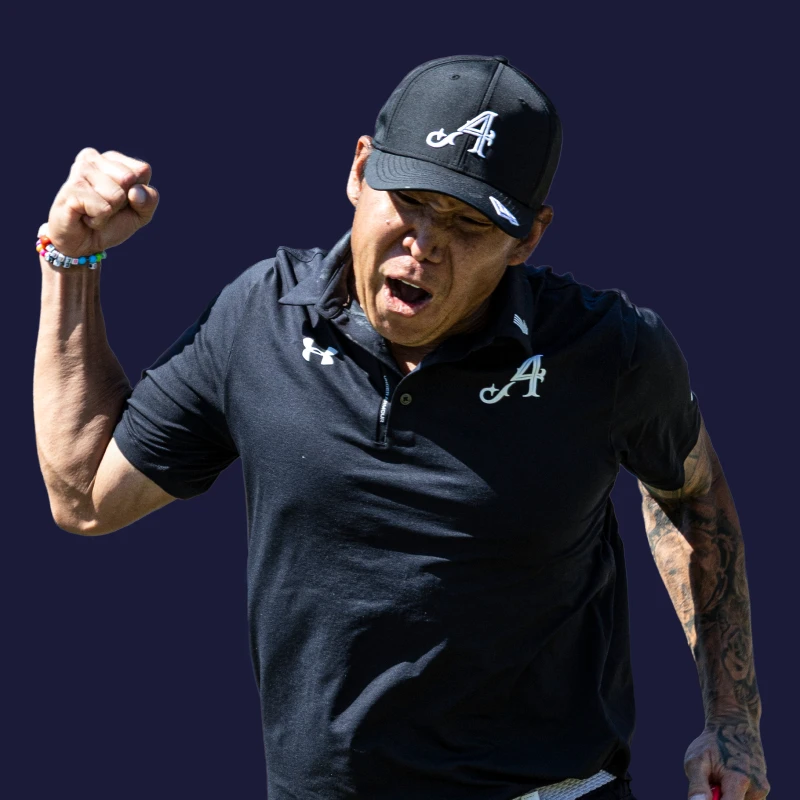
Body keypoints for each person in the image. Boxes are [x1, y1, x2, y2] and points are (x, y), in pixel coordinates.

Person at [33, 55, 768, 800]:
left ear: (528, 238)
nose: (426, 241)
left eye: (469, 222)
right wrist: (72, 258)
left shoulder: (606, 351)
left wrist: (734, 721)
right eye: (410, 198)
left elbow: (692, 492)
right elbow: (86, 496)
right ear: (360, 171)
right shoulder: (263, 319)